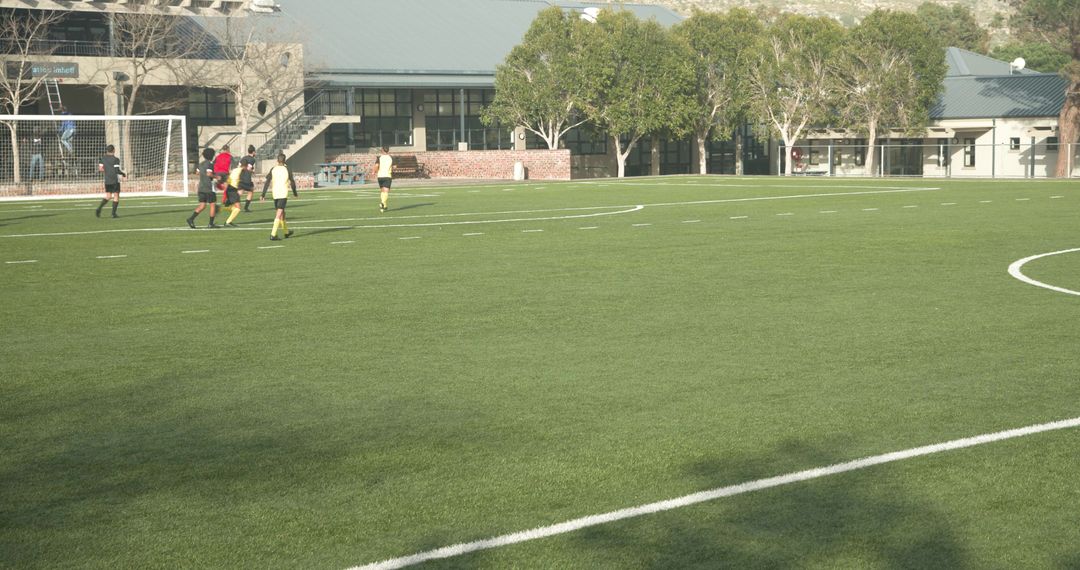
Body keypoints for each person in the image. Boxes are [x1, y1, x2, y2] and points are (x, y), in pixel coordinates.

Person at [260, 152, 298, 240]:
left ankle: (286, 232)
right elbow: (292, 182)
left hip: (275, 194)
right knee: (279, 214)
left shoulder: (273, 169)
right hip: (283, 193)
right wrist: (295, 193)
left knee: (282, 213)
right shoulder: (287, 169)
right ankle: (273, 234)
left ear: (277, 160)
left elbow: (267, 182)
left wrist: (263, 194)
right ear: (285, 161)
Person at [186, 147, 219, 228]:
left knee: (202, 205)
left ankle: (191, 219)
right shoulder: (210, 164)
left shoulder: (201, 164)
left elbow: (197, 172)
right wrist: (217, 177)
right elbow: (209, 174)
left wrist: (203, 174)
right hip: (208, 187)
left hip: (201, 187)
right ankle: (210, 224)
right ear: (211, 155)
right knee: (213, 205)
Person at [95, 144, 125, 218]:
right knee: (116, 196)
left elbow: (100, 169)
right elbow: (117, 170)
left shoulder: (103, 158)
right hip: (114, 180)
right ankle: (113, 214)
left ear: (107, 150)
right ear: (114, 150)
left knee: (108, 196)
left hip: (107, 180)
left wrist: (107, 170)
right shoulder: (116, 159)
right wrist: (123, 174)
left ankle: (99, 209)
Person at [221, 163, 245, 227]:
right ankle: (228, 222)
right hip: (232, 189)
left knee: (235, 207)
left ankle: (229, 220)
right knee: (238, 208)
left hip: (231, 189)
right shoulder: (241, 171)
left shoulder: (235, 170)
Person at [374, 146, 393, 212]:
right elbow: (395, 166)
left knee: (382, 191)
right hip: (387, 176)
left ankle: (384, 206)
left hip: (380, 176)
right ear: (388, 150)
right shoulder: (391, 158)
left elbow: (376, 166)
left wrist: (374, 171)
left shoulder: (379, 158)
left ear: (382, 150)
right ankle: (382, 203)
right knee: (386, 191)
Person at [239, 145, 257, 212]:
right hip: (246, 178)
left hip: (240, 176)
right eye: (255, 152)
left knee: (240, 192)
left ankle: (231, 203)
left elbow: (239, 166)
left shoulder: (243, 157)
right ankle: (246, 208)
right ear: (253, 152)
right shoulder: (252, 159)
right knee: (250, 191)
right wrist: (252, 171)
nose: (255, 153)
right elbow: (248, 168)